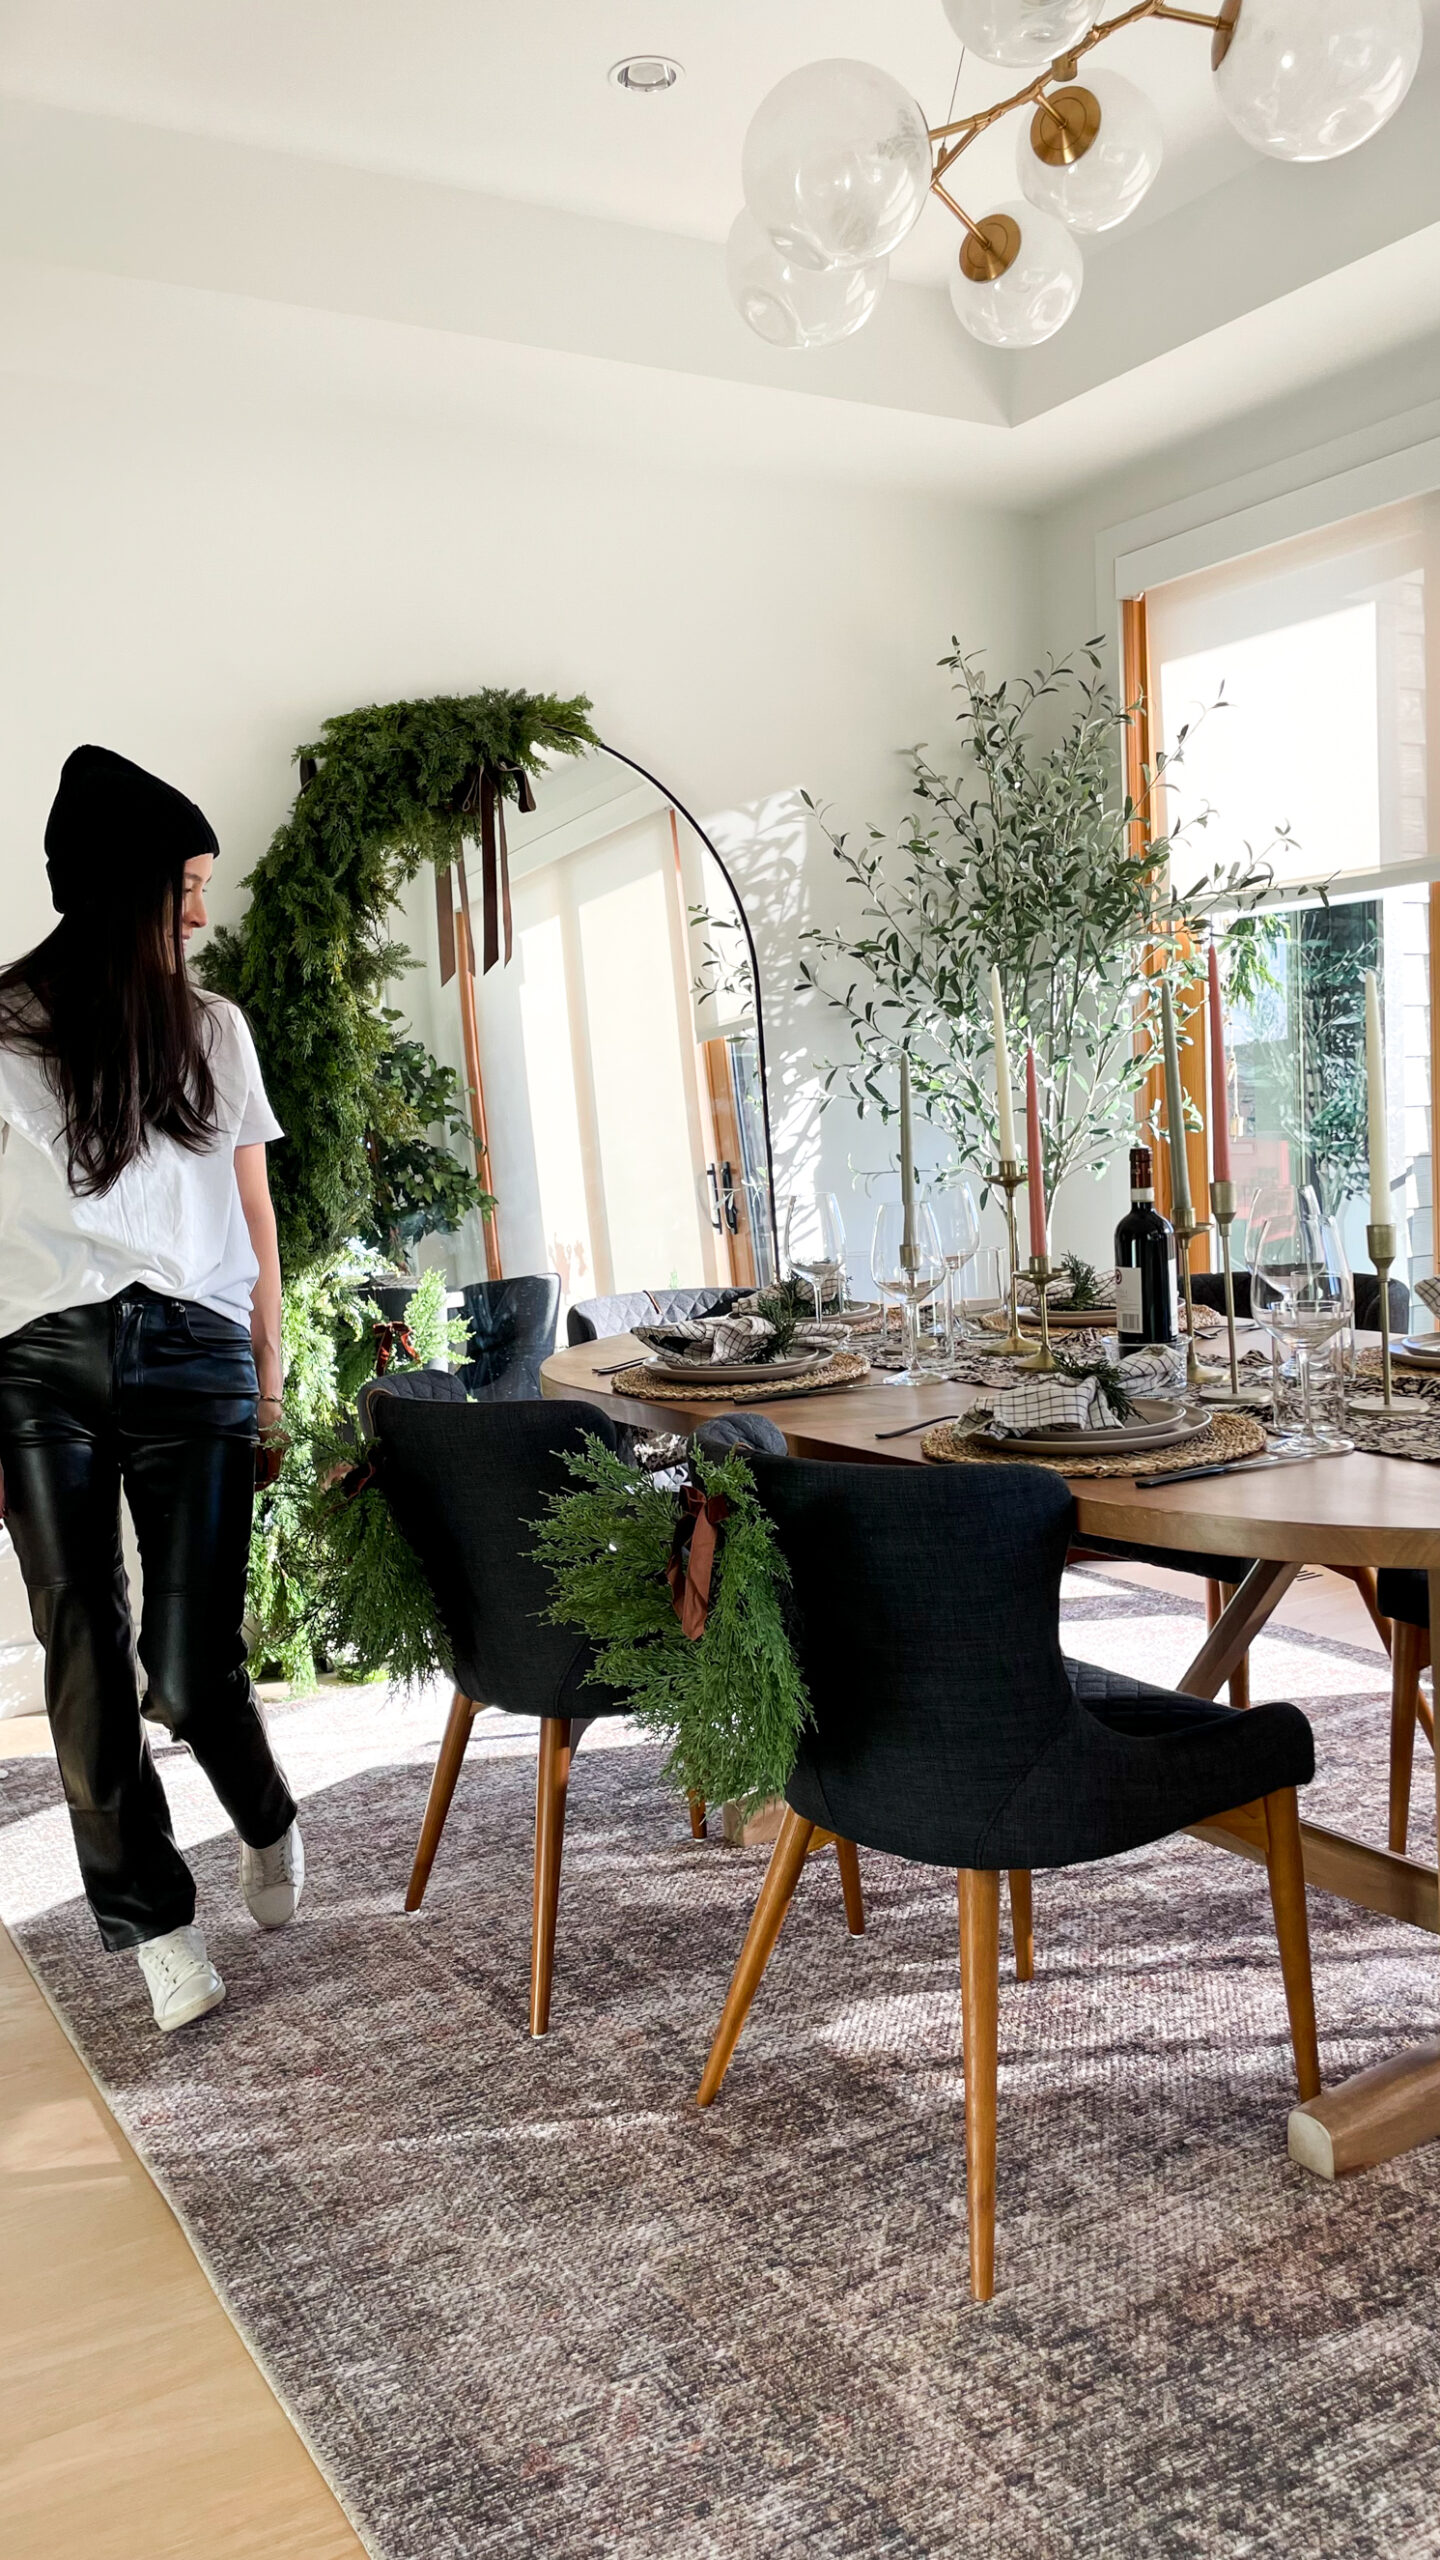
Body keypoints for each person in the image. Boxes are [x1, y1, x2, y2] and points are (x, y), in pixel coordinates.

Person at [0, 745, 301, 2031]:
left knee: (188, 1666)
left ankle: (267, 1810)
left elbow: (252, 1222)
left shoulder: (211, 1031)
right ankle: (153, 1925)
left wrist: (272, 1378)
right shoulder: (2, 1030)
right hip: (36, 1362)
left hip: (192, 1355)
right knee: (83, 1643)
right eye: (184, 881)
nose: (198, 908)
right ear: (127, 884)